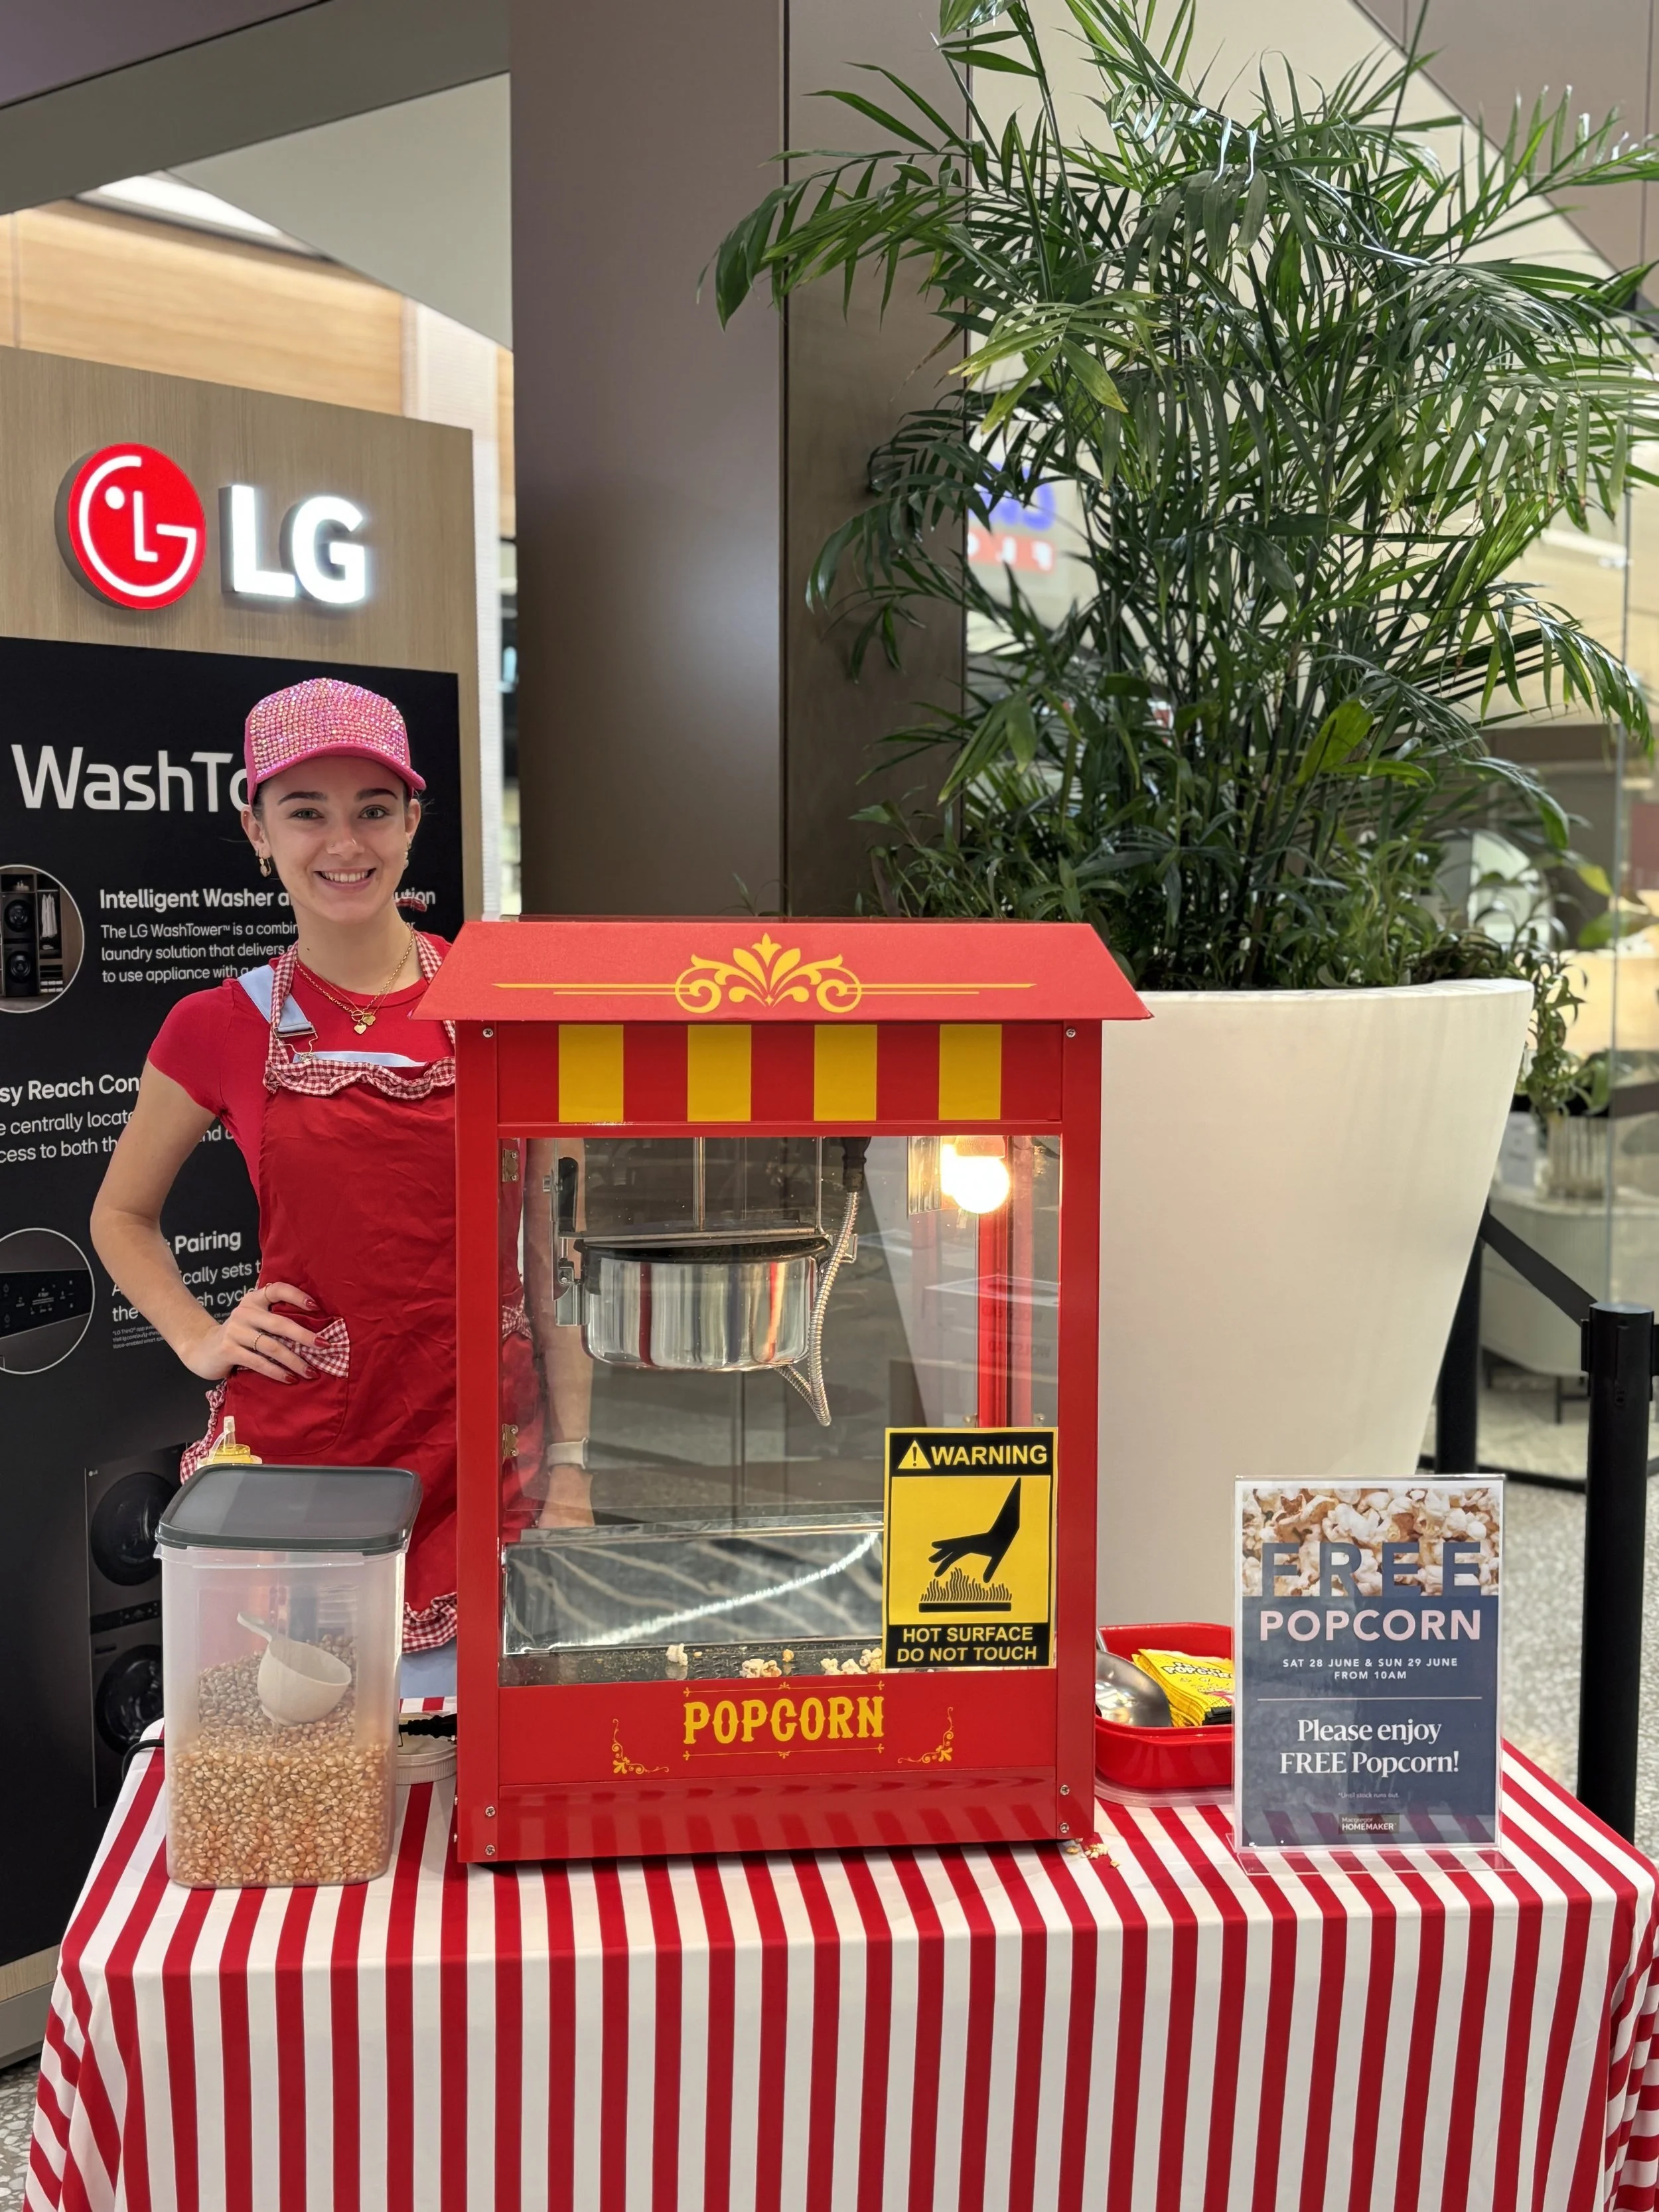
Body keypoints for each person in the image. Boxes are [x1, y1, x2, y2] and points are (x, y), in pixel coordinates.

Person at [91, 678, 592, 1696]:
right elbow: (120, 1214)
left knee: (477, 1782)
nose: (343, 843)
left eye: (372, 809)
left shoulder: (504, 1013)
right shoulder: (215, 1025)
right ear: (257, 831)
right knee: (307, 1763)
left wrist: (577, 1461)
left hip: (485, 1453)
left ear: (413, 821)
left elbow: (556, 1261)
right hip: (306, 1460)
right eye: (304, 811)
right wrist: (198, 1334)